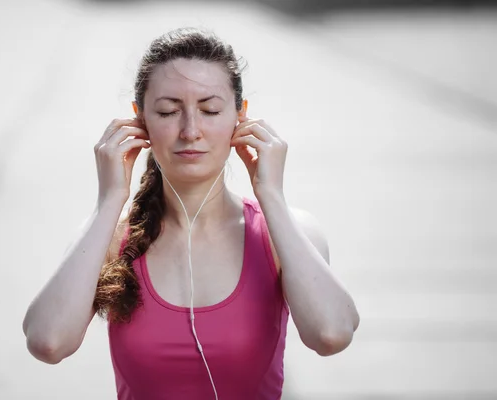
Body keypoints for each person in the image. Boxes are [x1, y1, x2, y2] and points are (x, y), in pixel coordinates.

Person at [22, 27, 360, 400]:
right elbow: (48, 342)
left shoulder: (283, 232)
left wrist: (271, 196)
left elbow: (331, 334)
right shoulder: (110, 238)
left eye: (210, 109)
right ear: (140, 121)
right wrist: (110, 201)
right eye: (168, 111)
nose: (190, 130)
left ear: (240, 117)